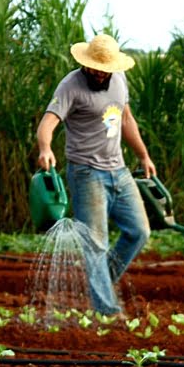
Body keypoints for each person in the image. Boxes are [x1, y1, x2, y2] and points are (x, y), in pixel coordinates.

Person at [36, 33, 155, 316]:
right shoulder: (71, 85)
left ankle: (98, 283)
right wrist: (45, 148)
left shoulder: (119, 80)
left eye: (104, 69)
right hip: (86, 172)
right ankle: (107, 311)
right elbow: (48, 122)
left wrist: (143, 155)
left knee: (140, 232)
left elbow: (126, 119)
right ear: (86, 63)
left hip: (119, 170)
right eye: (94, 68)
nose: (98, 74)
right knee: (96, 244)